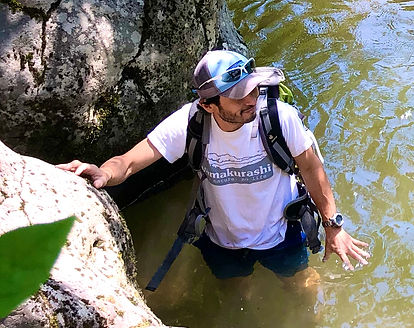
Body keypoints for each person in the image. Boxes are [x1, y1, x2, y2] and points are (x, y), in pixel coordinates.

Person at [58, 50, 370, 286]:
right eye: (238, 96)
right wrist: (103, 172)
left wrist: (333, 226)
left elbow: (313, 171)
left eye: (252, 88)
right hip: (221, 239)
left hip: (281, 234)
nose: (251, 99)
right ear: (208, 105)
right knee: (235, 290)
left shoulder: (279, 117)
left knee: (300, 286)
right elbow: (127, 162)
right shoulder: (190, 122)